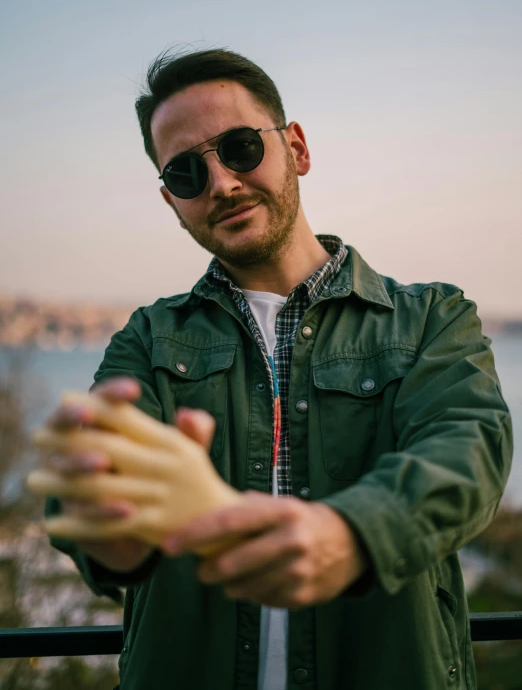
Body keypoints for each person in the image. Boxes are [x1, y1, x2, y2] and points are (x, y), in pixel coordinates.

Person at [44, 48, 512, 690]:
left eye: (239, 148)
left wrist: (351, 534)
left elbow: (470, 451)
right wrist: (111, 533)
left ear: (296, 148)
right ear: (170, 200)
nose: (221, 184)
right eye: (186, 173)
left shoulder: (432, 316)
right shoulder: (148, 337)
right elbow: (93, 486)